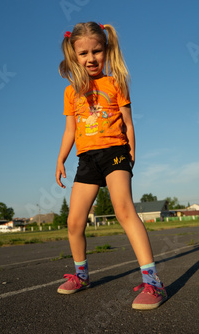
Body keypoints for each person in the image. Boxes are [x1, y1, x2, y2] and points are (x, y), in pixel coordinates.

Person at [55, 21, 167, 310]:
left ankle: (153, 283)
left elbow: (129, 124)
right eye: (83, 53)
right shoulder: (71, 92)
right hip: (86, 159)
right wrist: (60, 159)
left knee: (124, 210)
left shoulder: (116, 82)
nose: (91, 58)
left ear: (106, 50)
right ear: (74, 55)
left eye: (97, 51)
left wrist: (131, 154)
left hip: (115, 152)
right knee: (74, 222)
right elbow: (70, 130)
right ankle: (81, 277)